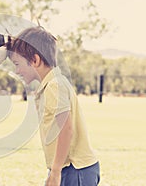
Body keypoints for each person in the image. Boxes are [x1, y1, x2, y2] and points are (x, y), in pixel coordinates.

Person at [6, 27, 100, 186]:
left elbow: (66, 129)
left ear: (35, 60)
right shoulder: (51, 84)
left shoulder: (54, 86)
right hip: (66, 168)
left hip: (75, 169)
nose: (17, 71)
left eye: (17, 64)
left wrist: (56, 171)